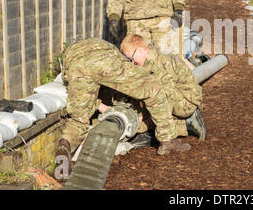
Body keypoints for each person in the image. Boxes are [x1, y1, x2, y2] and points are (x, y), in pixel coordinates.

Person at [55, 38, 192, 179]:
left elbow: (81, 86)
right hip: (104, 62)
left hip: (75, 67)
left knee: (78, 121)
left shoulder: (73, 53)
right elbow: (119, 81)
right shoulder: (109, 50)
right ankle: (167, 140)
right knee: (153, 87)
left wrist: (99, 106)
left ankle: (63, 154)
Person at [120, 34, 206, 142]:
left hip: (187, 101)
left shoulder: (160, 64)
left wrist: (143, 118)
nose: (132, 63)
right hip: (175, 95)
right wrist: (139, 114)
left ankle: (186, 121)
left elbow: (160, 99)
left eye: (131, 58)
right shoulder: (146, 61)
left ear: (140, 50)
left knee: (155, 101)